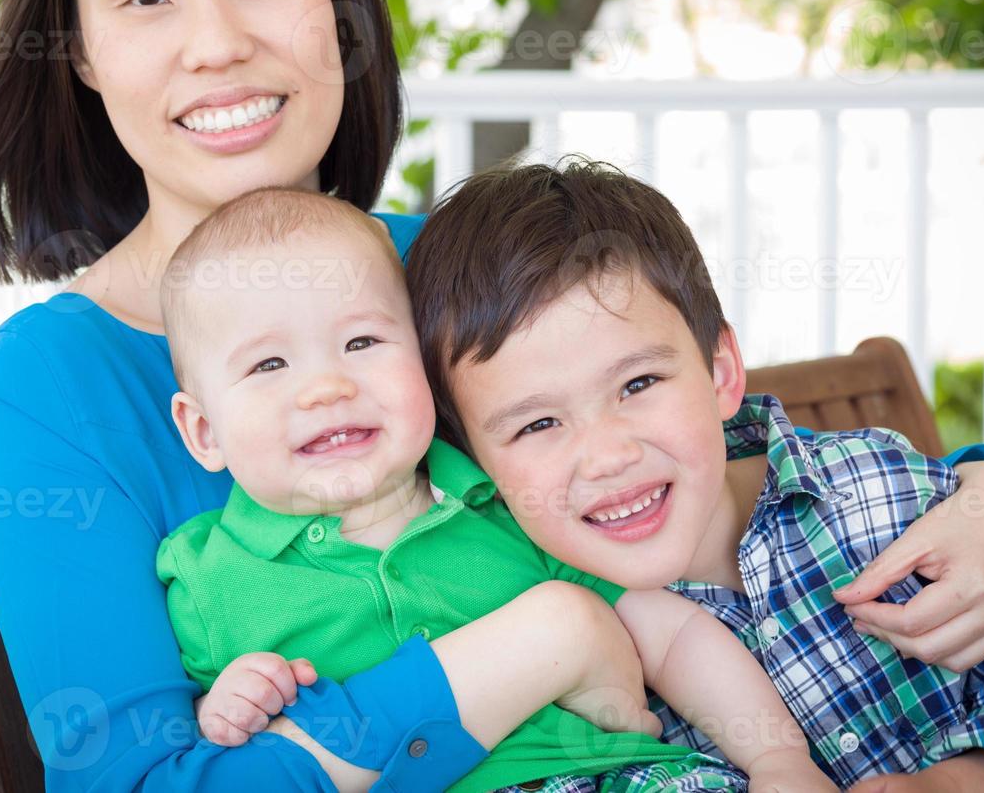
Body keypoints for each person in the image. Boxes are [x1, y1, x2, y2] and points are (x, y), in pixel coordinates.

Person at [0, 0, 984, 787]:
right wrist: (547, 635)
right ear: (81, 52)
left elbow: (714, 432)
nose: (219, 40)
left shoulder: (443, 262)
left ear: (338, 3)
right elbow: (136, 781)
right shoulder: (60, 375)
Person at [402, 159, 984, 792]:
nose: (606, 456)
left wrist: (979, 776)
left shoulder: (875, 495)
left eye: (638, 385)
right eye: (537, 424)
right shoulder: (534, 641)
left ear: (720, 372)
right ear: (476, 463)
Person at [152, 187, 836, 793]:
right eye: (270, 363)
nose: (328, 386)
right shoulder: (206, 574)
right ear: (205, 430)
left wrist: (778, 759)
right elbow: (214, 741)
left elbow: (675, 637)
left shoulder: (511, 505)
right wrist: (229, 705)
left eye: (362, 342)